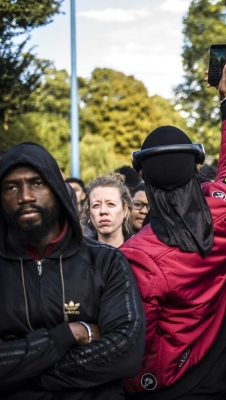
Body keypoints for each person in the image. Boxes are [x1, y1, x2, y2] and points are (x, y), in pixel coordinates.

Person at [120, 63, 226, 398]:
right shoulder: (224, 209)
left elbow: (140, 338)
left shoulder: (137, 255)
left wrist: (137, 385)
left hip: (175, 381)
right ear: (197, 167)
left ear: (144, 180)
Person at [0, 142, 145, 398]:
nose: (25, 196)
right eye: (11, 187)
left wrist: (25, 374)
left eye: (37, 183)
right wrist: (66, 335)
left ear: (56, 189)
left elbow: (125, 353)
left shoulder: (106, 262)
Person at [83, 173, 133, 248]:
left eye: (111, 204)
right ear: (89, 211)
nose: (103, 211)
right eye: (96, 205)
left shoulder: (139, 250)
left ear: (125, 210)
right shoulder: (81, 254)